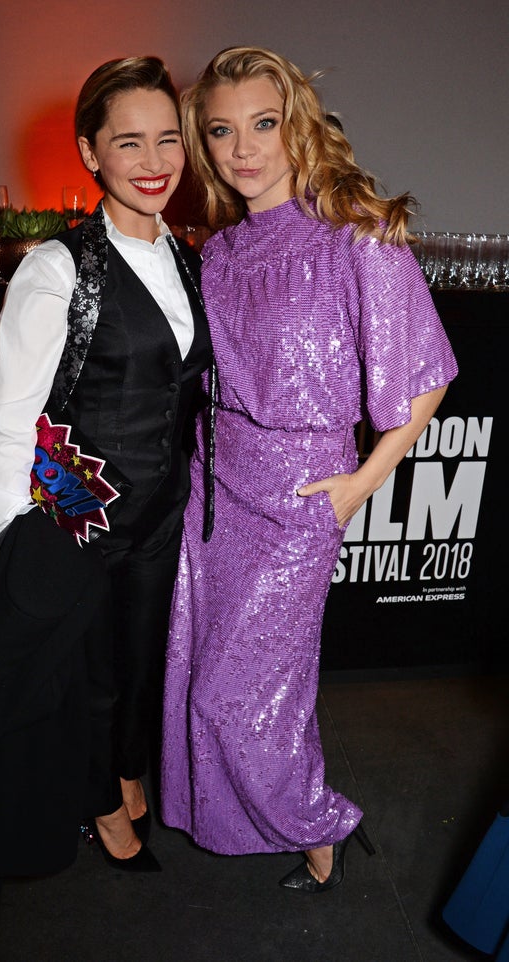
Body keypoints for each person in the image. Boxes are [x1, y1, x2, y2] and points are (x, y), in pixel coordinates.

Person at [0, 55, 211, 892]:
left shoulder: (190, 260)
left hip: (163, 510)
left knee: (139, 660)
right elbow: (6, 419)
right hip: (74, 511)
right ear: (90, 153)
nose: (154, 161)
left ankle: (122, 775)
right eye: (128, 142)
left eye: (168, 139)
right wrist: (9, 543)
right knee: (81, 672)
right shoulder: (57, 268)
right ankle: (100, 802)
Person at [160, 45, 458, 893]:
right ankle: (283, 820)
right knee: (214, 676)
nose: (242, 148)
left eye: (264, 123)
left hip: (299, 496)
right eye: (221, 131)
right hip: (213, 489)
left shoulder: (353, 236)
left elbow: (427, 376)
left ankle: (320, 825)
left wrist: (362, 481)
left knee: (231, 692)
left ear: (297, 126)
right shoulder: (217, 253)